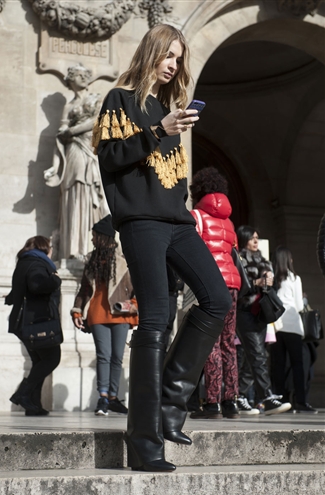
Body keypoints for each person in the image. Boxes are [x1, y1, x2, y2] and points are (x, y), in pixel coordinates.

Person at [94, 24, 232, 472]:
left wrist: (167, 124)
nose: (173, 64)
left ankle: (171, 409)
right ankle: (144, 441)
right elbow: (112, 158)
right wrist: (159, 129)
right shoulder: (121, 99)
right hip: (141, 223)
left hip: (177, 222)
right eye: (167, 55)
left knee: (216, 298)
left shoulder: (165, 109)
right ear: (150, 52)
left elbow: (170, 179)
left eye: (178, 57)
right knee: (155, 319)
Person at [71, 215, 138, 416]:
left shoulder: (123, 262)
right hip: (98, 314)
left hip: (120, 314)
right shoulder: (92, 261)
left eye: (94, 236)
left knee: (117, 357)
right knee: (104, 356)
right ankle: (102, 397)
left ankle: (112, 397)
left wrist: (131, 306)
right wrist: (76, 310)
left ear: (103, 237)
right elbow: (84, 290)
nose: (92, 240)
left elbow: (135, 291)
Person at [188, 166, 241, 419]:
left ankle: (211, 403)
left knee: (210, 343)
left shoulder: (196, 216)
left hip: (209, 284)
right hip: (233, 285)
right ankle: (231, 401)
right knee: (229, 343)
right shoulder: (229, 221)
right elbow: (233, 252)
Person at [44, 63, 108, 260]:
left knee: (92, 194)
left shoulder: (97, 99)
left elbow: (99, 121)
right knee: (75, 192)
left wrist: (71, 131)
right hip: (74, 152)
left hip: (91, 149)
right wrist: (55, 167)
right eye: (77, 75)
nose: (81, 78)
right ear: (70, 80)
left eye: (84, 74)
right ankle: (74, 248)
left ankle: (91, 245)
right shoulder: (69, 106)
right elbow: (59, 137)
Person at [236, 226, 291, 415]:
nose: (255, 241)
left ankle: (240, 396)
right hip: (244, 312)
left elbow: (271, 286)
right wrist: (256, 283)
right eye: (251, 238)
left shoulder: (264, 260)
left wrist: (269, 280)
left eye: (257, 238)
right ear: (243, 240)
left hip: (261, 312)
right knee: (257, 355)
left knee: (254, 356)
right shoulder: (239, 259)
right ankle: (266, 397)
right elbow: (238, 287)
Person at [5, 236, 62, 416]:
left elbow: (17, 291)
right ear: (45, 248)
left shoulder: (24, 262)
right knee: (52, 358)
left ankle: (33, 405)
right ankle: (23, 394)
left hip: (22, 322)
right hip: (35, 322)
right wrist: (55, 280)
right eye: (51, 247)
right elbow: (36, 285)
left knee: (39, 362)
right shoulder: (37, 263)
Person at [271, 246, 317, 413]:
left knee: (278, 365)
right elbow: (298, 305)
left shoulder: (274, 279)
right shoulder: (294, 278)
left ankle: (281, 400)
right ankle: (300, 401)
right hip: (293, 326)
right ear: (287, 260)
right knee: (298, 365)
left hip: (277, 326)